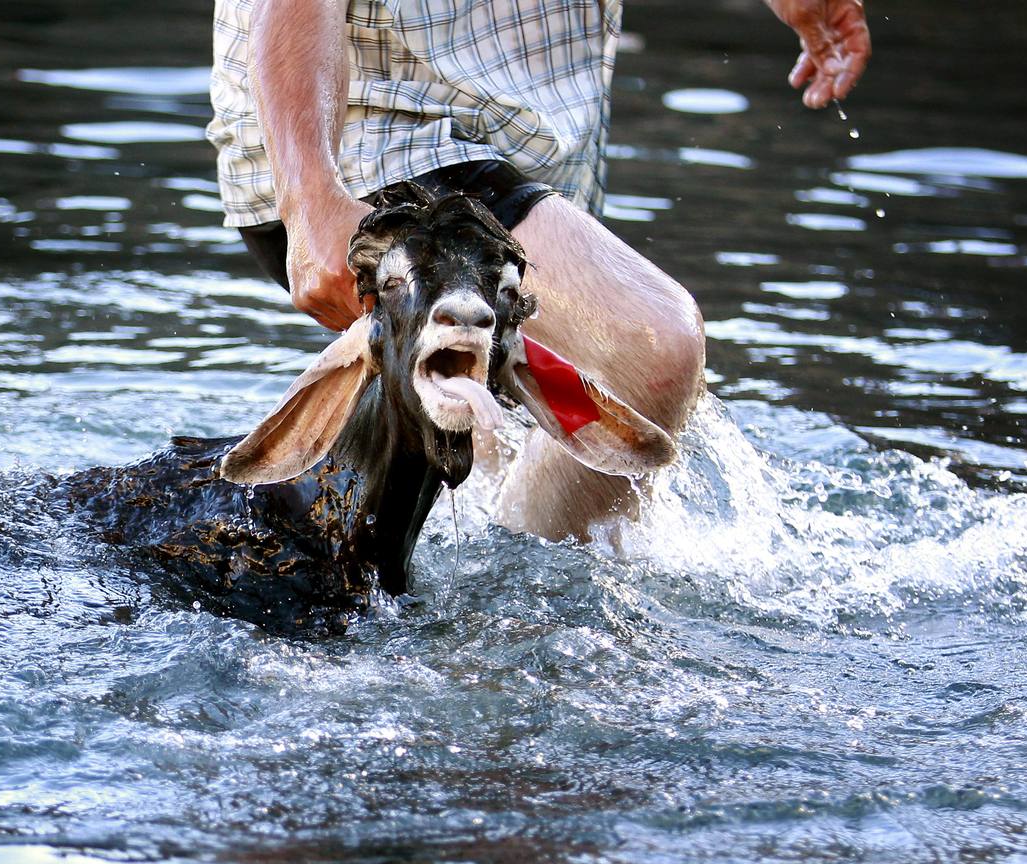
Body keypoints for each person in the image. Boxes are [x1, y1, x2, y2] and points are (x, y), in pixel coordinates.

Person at [207, 0, 871, 540]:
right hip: (379, 137)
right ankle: (504, 653)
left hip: (529, 134)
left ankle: (445, 614)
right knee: (650, 348)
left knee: (495, 456)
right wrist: (309, 197)